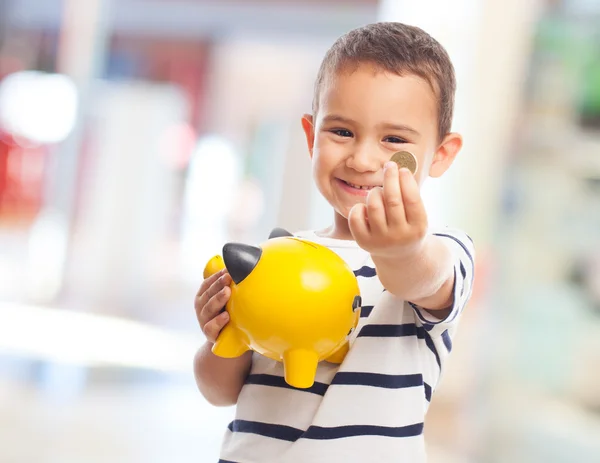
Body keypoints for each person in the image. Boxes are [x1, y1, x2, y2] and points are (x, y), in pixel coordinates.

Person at [194, 22, 475, 463]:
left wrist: (400, 250)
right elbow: (219, 392)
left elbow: (421, 277)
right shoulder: (275, 257)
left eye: (394, 140)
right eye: (341, 132)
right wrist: (220, 337)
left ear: (440, 154)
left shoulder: (442, 250)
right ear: (311, 136)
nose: (362, 159)